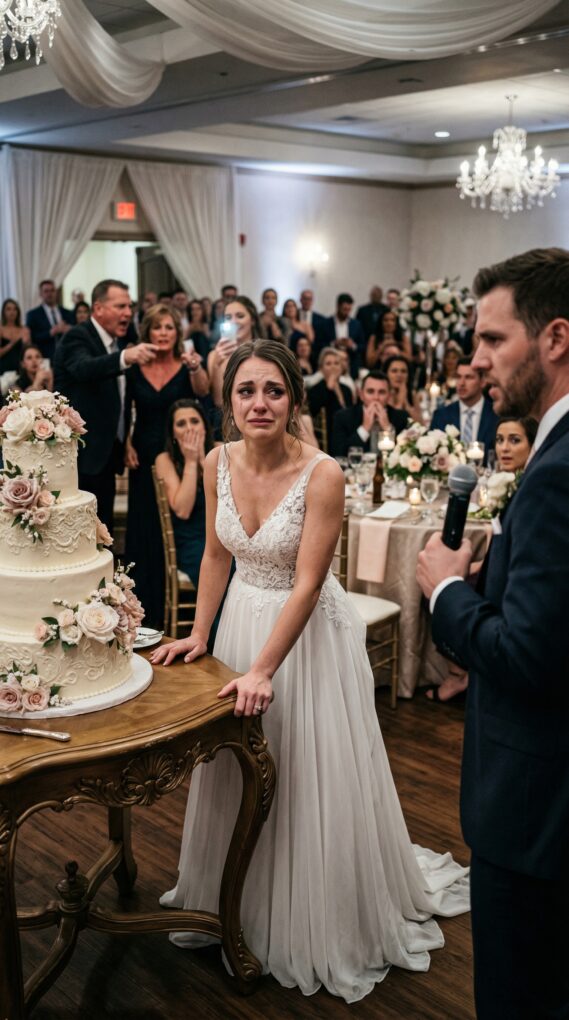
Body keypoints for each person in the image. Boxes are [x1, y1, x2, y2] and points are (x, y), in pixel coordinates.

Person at [150, 339, 468, 1002]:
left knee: (300, 765)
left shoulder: (322, 474)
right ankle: (230, 901)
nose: (259, 403)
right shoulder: (214, 461)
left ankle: (312, 915)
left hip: (304, 638)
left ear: (294, 398)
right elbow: (215, 556)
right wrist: (200, 635)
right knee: (238, 763)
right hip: (238, 623)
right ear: (228, 401)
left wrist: (263, 669)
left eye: (274, 390)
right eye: (246, 391)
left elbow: (307, 582)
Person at [417, 247, 569, 1020]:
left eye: (492, 339)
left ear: (554, 338)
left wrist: (445, 590)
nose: (476, 360)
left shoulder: (556, 471)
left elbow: (528, 657)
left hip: (536, 810)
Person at [425, 414, 537, 706]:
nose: (505, 448)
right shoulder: (506, 482)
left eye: (515, 440)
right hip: (495, 565)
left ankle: (459, 672)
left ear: (532, 444)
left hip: (510, 577)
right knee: (434, 581)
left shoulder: (530, 486)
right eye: (499, 440)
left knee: (440, 590)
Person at [124, 304, 210, 629]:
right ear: (147, 332)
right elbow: (126, 408)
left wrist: (196, 367)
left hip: (178, 453)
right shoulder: (135, 366)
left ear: (178, 332)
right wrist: (127, 441)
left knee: (176, 526)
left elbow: (203, 392)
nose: (163, 333)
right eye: (157, 327)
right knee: (145, 529)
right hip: (144, 452)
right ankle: (144, 612)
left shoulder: (186, 365)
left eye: (169, 327)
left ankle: (179, 608)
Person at [54, 278, 159, 534]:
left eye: (130, 306)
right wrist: (125, 357)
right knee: (82, 535)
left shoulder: (115, 343)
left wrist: (125, 440)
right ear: (98, 308)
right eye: (121, 306)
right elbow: (84, 368)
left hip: (108, 454)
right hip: (83, 457)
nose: (128, 313)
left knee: (103, 531)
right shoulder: (77, 336)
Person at [154, 398, 214, 615]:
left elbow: (231, 502)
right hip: (192, 543)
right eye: (181, 424)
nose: (189, 428)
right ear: (173, 433)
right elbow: (183, 510)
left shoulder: (220, 450)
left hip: (223, 536)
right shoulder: (165, 460)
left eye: (194, 421)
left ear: (205, 426)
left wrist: (203, 461)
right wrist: (191, 461)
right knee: (215, 571)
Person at [430, 357, 498, 462]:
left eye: (468, 377)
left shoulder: (496, 415)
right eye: (458, 377)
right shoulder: (441, 416)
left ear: (483, 382)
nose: (461, 383)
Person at [331, 369, 408, 457]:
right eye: (370, 391)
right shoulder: (343, 417)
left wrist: (388, 429)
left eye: (382, 392)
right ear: (361, 395)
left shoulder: (401, 417)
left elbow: (407, 454)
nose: (376, 397)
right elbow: (338, 454)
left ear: (389, 396)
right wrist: (364, 429)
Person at [207, 295, 263, 408]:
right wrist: (217, 365)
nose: (233, 322)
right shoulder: (214, 356)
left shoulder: (266, 353)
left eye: (240, 316)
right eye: (228, 318)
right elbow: (219, 401)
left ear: (252, 320)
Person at [307, 347, 352, 441]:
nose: (333, 367)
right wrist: (329, 388)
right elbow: (312, 413)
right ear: (321, 368)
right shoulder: (315, 390)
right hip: (327, 437)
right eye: (328, 364)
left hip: (347, 434)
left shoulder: (347, 389)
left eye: (336, 363)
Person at [26, 279, 73, 361]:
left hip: (67, 357)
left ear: (56, 292)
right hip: (44, 358)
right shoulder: (33, 315)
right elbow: (32, 338)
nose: (49, 294)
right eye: (46, 291)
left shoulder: (68, 313)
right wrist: (50, 333)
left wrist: (70, 329)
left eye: (52, 290)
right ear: (40, 294)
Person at [382, 354, 422, 423]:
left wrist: (406, 403)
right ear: (386, 374)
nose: (399, 375)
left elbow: (421, 425)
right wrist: (400, 402)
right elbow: (394, 423)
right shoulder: (381, 394)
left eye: (403, 371)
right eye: (394, 371)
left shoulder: (412, 394)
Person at [0, 299, 30, 376]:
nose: (12, 312)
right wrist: (12, 343)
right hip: (3, 369)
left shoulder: (24, 329)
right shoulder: (1, 329)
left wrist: (26, 344)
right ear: (3, 312)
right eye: (8, 309)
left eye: (15, 309)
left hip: (20, 369)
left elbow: (29, 352)